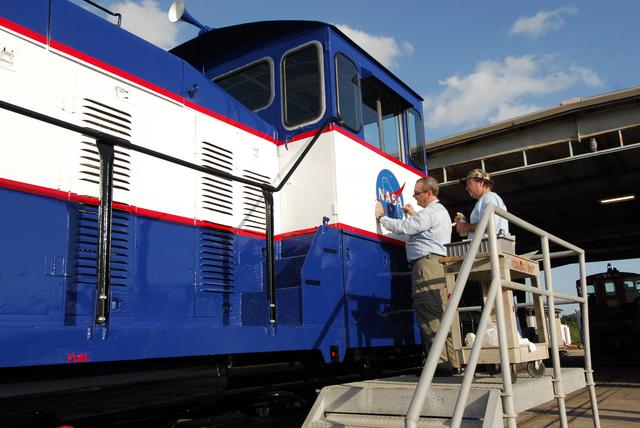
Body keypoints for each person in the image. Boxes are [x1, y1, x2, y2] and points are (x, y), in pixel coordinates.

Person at [375, 176, 455, 374]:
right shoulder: (438, 212)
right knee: (440, 314)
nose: (414, 196)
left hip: (427, 266)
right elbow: (419, 230)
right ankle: (451, 362)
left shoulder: (431, 212)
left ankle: (440, 364)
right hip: (436, 264)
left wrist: (382, 218)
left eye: (417, 193)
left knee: (428, 313)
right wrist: (413, 215)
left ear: (429, 193)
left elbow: (407, 228)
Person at [455, 169, 509, 240]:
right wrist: (465, 227)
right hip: (489, 244)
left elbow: (488, 225)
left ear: (481, 183)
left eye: (469, 183)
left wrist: (465, 227)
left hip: (489, 246)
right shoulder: (488, 198)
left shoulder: (488, 197)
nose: (467, 188)